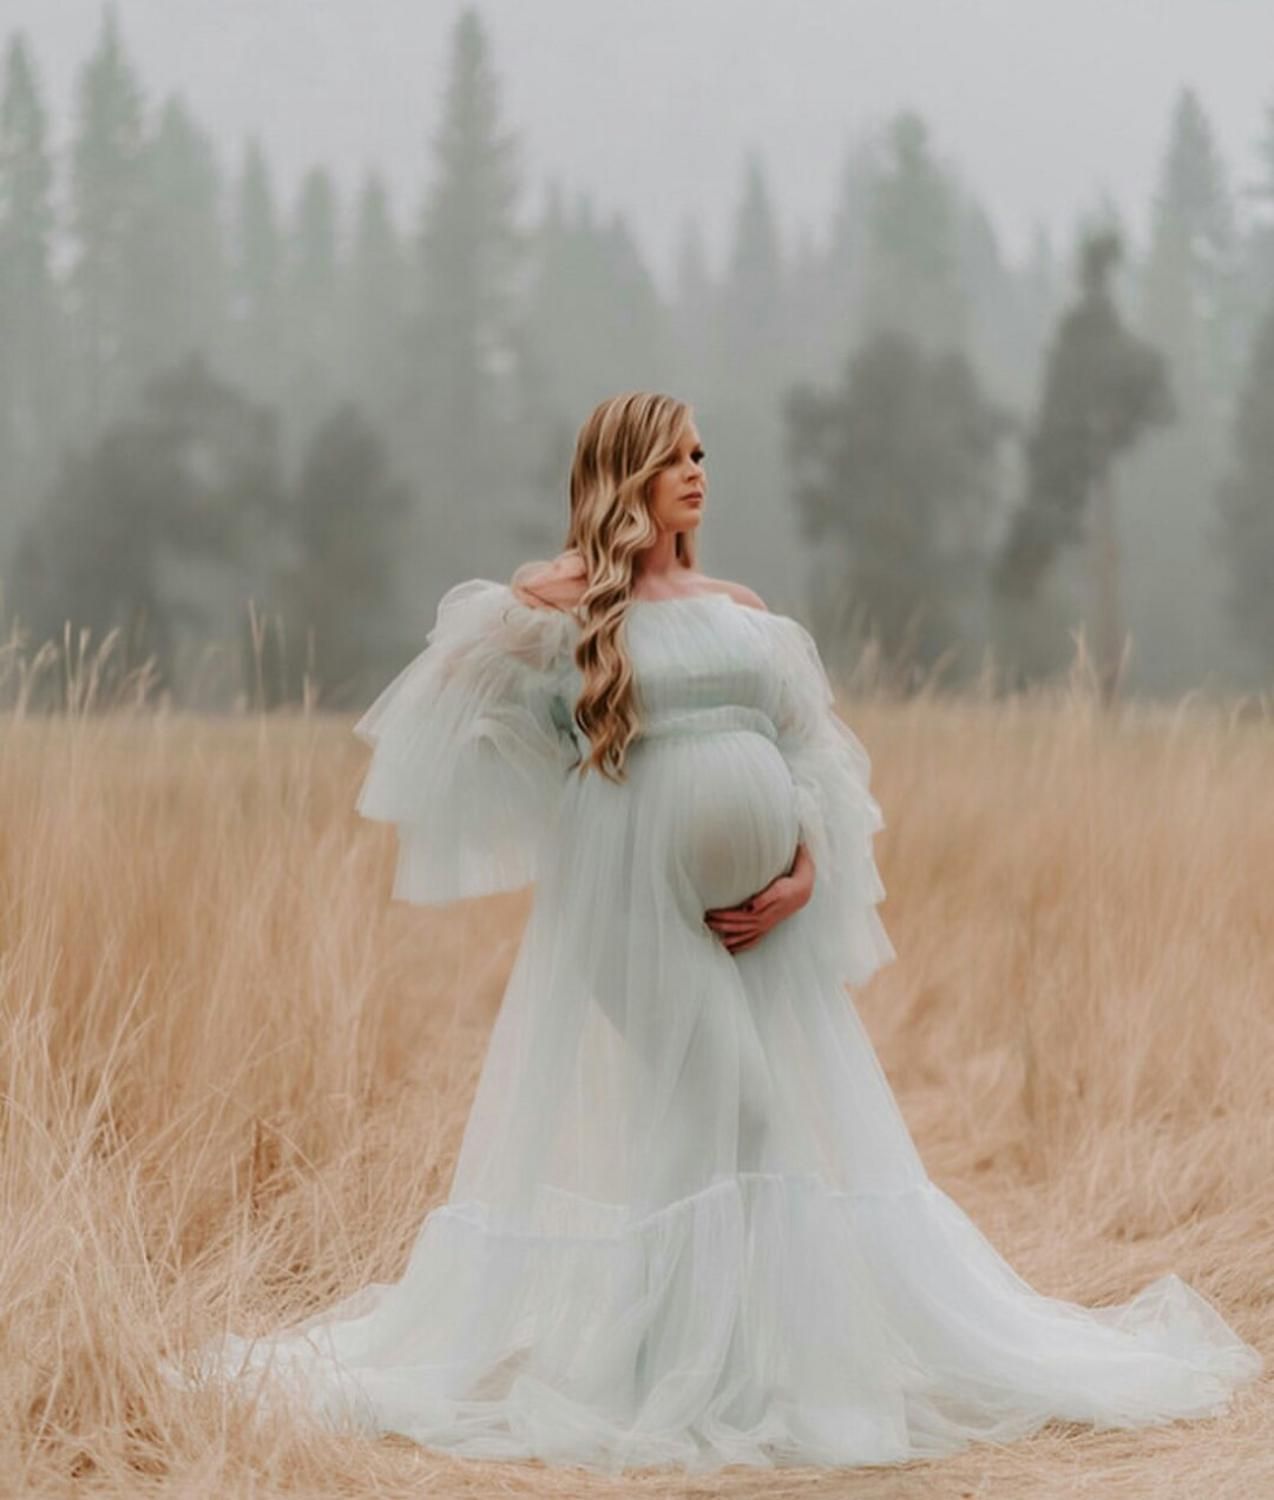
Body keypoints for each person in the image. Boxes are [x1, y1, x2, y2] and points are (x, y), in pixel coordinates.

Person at [186, 391, 1261, 1474]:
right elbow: (446, 713)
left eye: (701, 452)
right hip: (629, 911)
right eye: (671, 457)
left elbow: (816, 755)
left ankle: (716, 1362)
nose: (697, 471)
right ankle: (688, 1378)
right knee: (742, 1111)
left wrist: (803, 867)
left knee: (729, 1122)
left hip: (763, 919)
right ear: (623, 476)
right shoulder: (556, 607)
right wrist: (547, 727)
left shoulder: (741, 609)